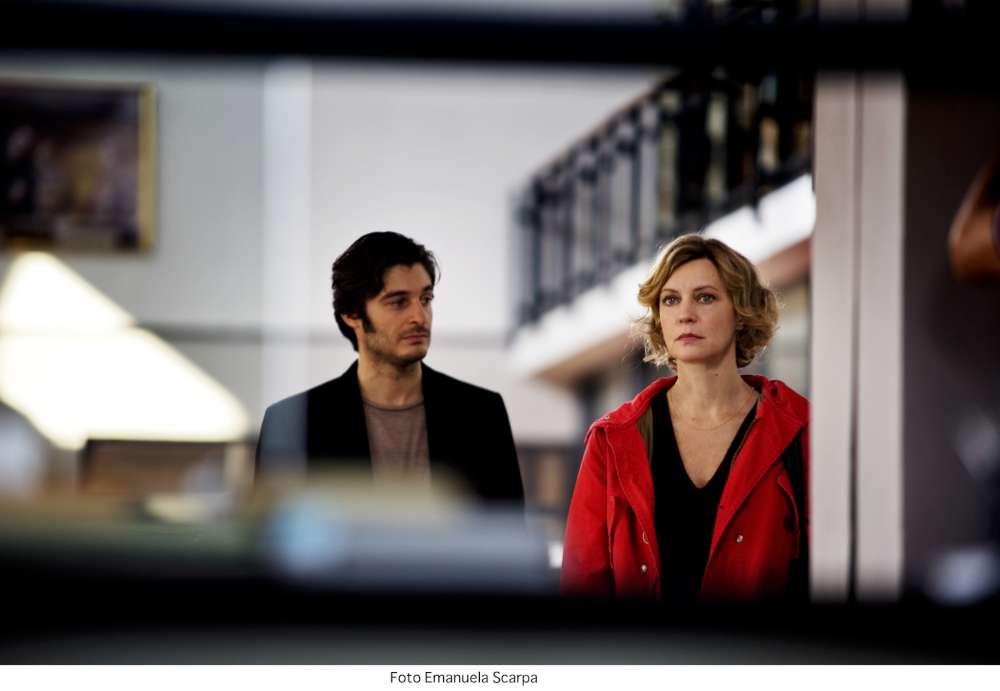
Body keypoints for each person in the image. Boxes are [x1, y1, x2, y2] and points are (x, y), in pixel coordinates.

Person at [561, 233, 809, 602]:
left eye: (705, 297)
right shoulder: (612, 439)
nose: (685, 314)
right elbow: (582, 586)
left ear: (741, 314)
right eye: (671, 300)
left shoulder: (798, 429)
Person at [256, 231, 523, 504]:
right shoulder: (295, 422)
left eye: (426, 299)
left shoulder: (481, 414)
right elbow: (275, 528)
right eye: (398, 302)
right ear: (352, 314)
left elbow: (508, 525)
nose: (420, 317)